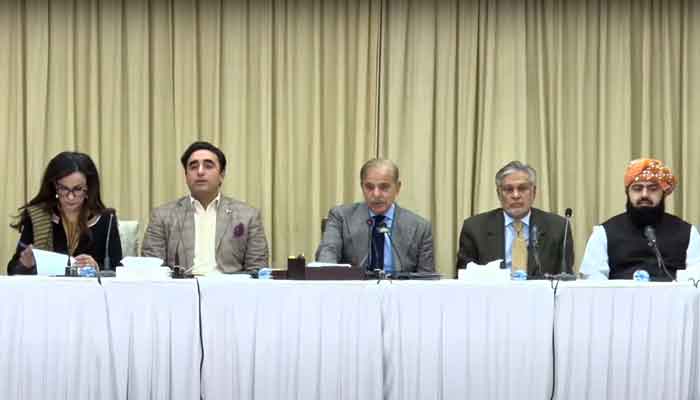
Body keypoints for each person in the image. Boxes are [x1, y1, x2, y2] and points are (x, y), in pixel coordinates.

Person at [142, 141, 269, 274]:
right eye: (193, 167)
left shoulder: (248, 216)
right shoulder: (162, 216)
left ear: (221, 175)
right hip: (180, 291)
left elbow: (257, 270)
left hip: (230, 290)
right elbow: (152, 269)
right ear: (186, 176)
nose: (200, 172)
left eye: (208, 166)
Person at [580, 158, 700, 280]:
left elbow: (697, 278)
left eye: (653, 189)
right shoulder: (603, 233)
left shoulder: (688, 232)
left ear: (663, 193)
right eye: (637, 188)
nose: (644, 195)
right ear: (628, 192)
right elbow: (593, 280)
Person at [7, 152, 122, 275]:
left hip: (89, 292)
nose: (70, 197)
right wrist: (25, 264)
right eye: (64, 189)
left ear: (88, 188)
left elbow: (119, 272)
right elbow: (12, 270)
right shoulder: (38, 216)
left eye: (77, 189)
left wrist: (97, 269)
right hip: (47, 292)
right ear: (54, 187)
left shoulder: (106, 220)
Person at [315, 158, 434, 273]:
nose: (376, 194)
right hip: (354, 290)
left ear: (397, 188)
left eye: (384, 187)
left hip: (400, 291)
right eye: (369, 187)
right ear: (362, 187)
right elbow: (327, 256)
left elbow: (427, 279)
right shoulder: (341, 217)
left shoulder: (420, 228)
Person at [456, 161, 574, 276]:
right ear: (499, 194)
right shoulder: (475, 228)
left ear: (534, 192)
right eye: (508, 189)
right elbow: (463, 280)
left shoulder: (558, 228)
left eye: (522, 188)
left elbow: (565, 279)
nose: (516, 195)